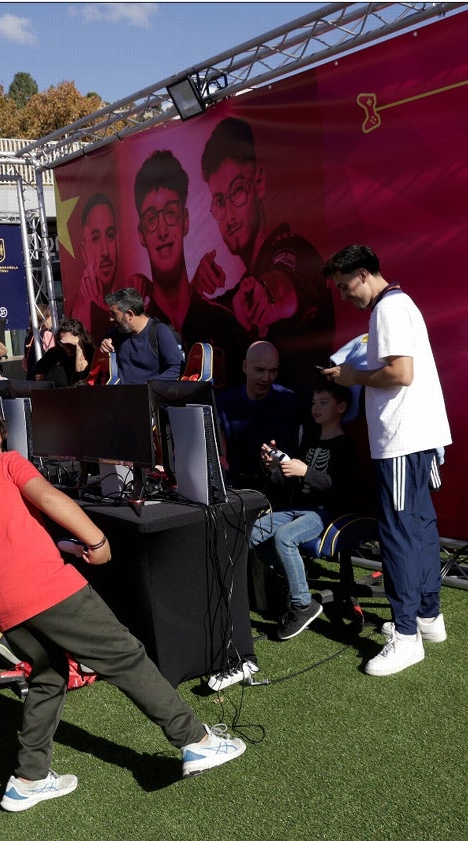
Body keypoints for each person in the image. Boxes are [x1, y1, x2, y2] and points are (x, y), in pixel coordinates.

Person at [0, 403, 246, 812]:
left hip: (2, 606)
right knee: (126, 656)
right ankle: (196, 741)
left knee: (48, 676)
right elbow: (48, 498)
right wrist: (96, 541)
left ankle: (28, 779)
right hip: (46, 587)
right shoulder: (6, 463)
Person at [322, 244, 451, 676]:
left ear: (361, 274)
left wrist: (351, 375)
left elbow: (401, 373)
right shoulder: (400, 304)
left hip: (401, 438)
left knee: (398, 533)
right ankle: (428, 617)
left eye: (344, 287)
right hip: (417, 435)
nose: (344, 296)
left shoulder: (388, 309)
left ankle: (407, 635)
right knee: (419, 525)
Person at [193, 116, 335, 397]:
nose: (229, 214)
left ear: (258, 183)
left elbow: (285, 283)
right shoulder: (247, 282)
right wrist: (195, 291)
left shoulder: (293, 251)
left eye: (237, 192)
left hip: (303, 425)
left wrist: (268, 297)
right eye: (220, 201)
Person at [250, 382, 359, 642]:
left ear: (341, 407)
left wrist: (307, 472)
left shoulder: (345, 445)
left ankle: (302, 604)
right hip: (296, 507)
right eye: (313, 403)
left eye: (323, 402)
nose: (315, 408)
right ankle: (289, 582)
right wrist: (274, 467)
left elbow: (340, 488)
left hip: (323, 512)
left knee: (285, 537)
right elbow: (287, 483)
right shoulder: (308, 440)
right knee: (252, 533)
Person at [130, 149, 247, 384]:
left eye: (170, 213)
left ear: (185, 220)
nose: (162, 231)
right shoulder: (136, 332)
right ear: (141, 233)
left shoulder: (225, 322)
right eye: (152, 218)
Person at [216, 341, 300, 494]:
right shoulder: (225, 401)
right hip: (236, 485)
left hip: (276, 488)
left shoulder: (287, 401)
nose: (266, 378)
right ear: (245, 367)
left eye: (272, 371)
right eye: (260, 370)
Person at [101, 287, 184, 384]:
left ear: (129, 314)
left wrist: (149, 386)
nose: (111, 319)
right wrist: (103, 347)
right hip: (121, 397)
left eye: (114, 314)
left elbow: (177, 367)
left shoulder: (159, 331)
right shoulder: (116, 333)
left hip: (149, 396)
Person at [70, 193, 121, 343]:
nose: (105, 252)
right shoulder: (79, 313)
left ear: (118, 244)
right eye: (96, 238)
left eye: (110, 236)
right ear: (84, 251)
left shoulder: (131, 300)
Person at [34, 317, 94, 387]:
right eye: (62, 343)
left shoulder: (90, 354)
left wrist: (79, 348)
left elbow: (80, 376)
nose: (66, 347)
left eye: (70, 344)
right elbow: (38, 370)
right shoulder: (53, 353)